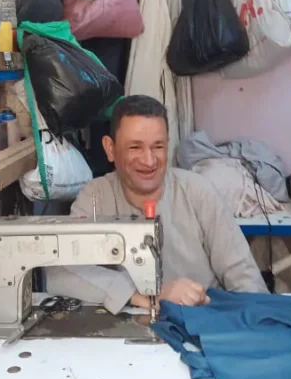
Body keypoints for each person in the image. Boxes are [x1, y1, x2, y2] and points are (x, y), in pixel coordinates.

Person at [44, 95, 267, 312]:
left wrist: (259, 322)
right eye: (135, 147)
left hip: (201, 322)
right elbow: (60, 272)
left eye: (158, 147)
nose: (149, 161)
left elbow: (243, 275)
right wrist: (142, 296)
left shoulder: (198, 192)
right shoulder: (95, 196)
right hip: (128, 330)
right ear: (110, 149)